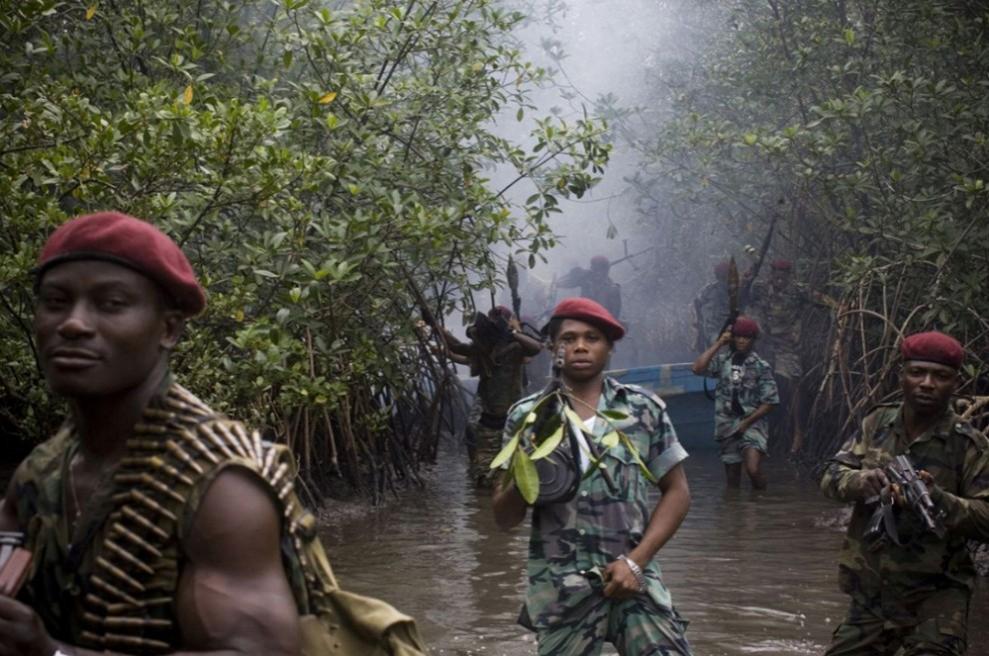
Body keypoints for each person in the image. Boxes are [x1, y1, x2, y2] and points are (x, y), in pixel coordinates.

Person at [0, 211, 425, 655]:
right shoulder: (41, 472)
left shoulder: (220, 482)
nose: (73, 323)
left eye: (111, 304)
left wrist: (52, 653)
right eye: (55, 301)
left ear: (168, 329)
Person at [492, 297, 693, 656]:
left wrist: (637, 561)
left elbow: (677, 492)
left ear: (609, 347)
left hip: (634, 581)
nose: (580, 346)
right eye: (568, 338)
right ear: (553, 347)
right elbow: (504, 519)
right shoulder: (527, 416)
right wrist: (528, 462)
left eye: (593, 337)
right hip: (561, 592)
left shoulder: (642, 410)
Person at [819, 331, 989, 656]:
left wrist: (938, 498)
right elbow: (830, 475)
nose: (927, 383)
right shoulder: (877, 423)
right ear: (901, 376)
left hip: (937, 593)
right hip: (873, 589)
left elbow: (986, 518)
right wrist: (861, 482)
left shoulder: (968, 445)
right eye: (917, 372)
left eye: (940, 376)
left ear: (955, 384)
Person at [438, 306, 542, 485]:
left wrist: (513, 332)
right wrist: (439, 330)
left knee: (513, 472)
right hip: (489, 420)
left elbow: (535, 348)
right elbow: (458, 348)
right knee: (484, 475)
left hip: (513, 419)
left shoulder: (515, 347)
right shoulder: (482, 348)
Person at [747, 258, 826, 455]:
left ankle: (798, 433)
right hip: (764, 347)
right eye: (775, 274)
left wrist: (842, 306)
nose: (779, 279)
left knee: (794, 385)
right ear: (770, 273)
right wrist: (748, 275)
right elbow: (739, 294)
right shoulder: (759, 288)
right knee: (755, 385)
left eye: (783, 276)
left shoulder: (798, 290)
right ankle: (756, 431)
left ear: (789, 276)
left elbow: (822, 300)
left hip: (787, 347)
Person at [691, 316, 778, 490]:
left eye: (746, 337)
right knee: (732, 480)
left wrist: (746, 423)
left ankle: (761, 504)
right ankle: (735, 514)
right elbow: (697, 368)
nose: (741, 341)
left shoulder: (761, 366)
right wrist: (718, 344)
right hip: (727, 424)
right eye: (738, 336)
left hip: (752, 423)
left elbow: (771, 402)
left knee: (753, 469)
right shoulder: (723, 361)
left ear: (753, 340)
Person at [557, 256, 622, 320]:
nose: (596, 273)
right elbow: (563, 283)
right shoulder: (586, 280)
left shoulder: (613, 290)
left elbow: (614, 317)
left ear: (606, 271)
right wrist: (577, 273)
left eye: (599, 270)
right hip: (582, 320)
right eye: (594, 269)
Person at [690, 260, 732, 353]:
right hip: (713, 331)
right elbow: (697, 303)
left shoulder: (737, 290)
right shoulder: (709, 291)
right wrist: (699, 324)